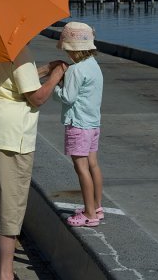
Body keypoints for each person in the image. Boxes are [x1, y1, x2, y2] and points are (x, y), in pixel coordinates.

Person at [0, 44, 66, 280]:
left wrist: (43, 70)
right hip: (8, 140)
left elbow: (8, 79)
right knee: (10, 208)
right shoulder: (19, 53)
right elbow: (36, 97)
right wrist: (56, 76)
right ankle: (7, 274)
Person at [53, 22, 104, 227]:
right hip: (93, 123)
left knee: (80, 167)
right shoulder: (93, 65)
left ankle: (89, 214)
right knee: (93, 165)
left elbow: (67, 97)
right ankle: (97, 207)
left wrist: (57, 84)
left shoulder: (75, 70)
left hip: (78, 124)